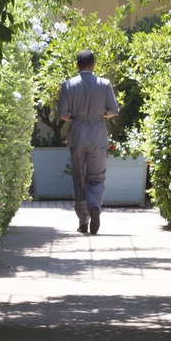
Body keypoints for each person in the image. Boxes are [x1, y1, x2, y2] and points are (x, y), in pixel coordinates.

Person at [57, 49, 119, 234]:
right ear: (93, 64)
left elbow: (63, 114)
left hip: (77, 136)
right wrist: (100, 114)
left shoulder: (68, 85)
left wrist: (75, 117)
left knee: (79, 178)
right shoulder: (104, 84)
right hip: (98, 136)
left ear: (77, 64)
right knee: (97, 176)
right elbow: (113, 110)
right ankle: (94, 206)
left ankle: (83, 219)